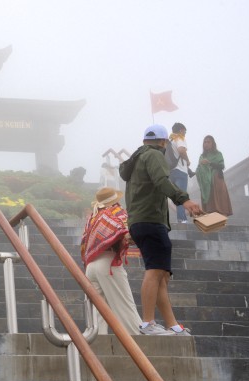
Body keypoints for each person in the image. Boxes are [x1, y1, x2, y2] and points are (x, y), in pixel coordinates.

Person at [124, 124, 203, 335]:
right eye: (166, 143)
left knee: (161, 274)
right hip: (151, 220)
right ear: (163, 142)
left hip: (140, 221)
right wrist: (183, 199)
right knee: (156, 271)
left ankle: (172, 324)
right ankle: (147, 323)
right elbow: (161, 181)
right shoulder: (154, 155)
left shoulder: (138, 159)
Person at [80, 186, 142, 336]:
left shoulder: (93, 217)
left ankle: (97, 345)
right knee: (124, 306)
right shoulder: (115, 212)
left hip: (91, 266)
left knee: (97, 315)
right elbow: (127, 232)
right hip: (108, 263)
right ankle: (138, 342)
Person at [195, 135, 233, 216]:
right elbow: (199, 169)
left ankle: (221, 217)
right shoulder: (202, 156)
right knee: (209, 203)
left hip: (216, 179)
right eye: (205, 142)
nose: (206, 144)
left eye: (208, 142)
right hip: (205, 183)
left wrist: (209, 163)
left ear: (213, 143)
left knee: (220, 200)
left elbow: (221, 166)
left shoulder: (218, 154)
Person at [169, 122, 191, 223]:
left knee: (176, 196)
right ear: (181, 130)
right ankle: (182, 219)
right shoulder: (179, 138)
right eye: (185, 131)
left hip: (171, 172)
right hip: (180, 171)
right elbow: (181, 150)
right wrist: (187, 160)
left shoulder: (170, 140)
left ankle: (180, 218)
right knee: (182, 196)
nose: (185, 133)